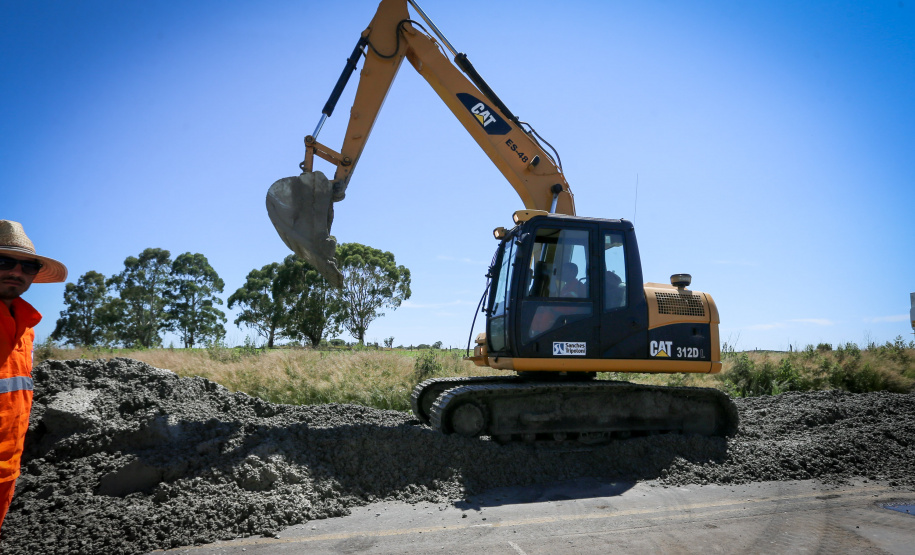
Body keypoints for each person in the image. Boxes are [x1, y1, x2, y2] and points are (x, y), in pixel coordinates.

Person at [0, 220, 67, 535]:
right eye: (4, 262)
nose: (17, 271)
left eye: (28, 265)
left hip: (8, 469)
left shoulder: (26, 327)